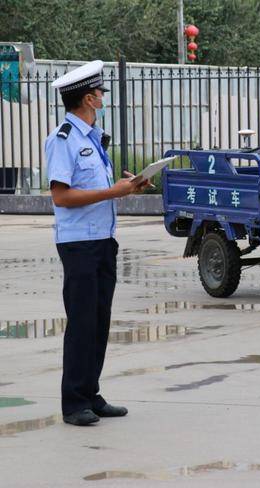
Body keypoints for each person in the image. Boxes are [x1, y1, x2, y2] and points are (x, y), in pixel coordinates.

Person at [46, 60, 148, 426]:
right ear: (89, 98)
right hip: (78, 245)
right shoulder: (63, 139)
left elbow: (98, 191)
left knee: (99, 321)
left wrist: (130, 186)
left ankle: (91, 393)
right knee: (82, 322)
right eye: (101, 91)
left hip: (103, 240)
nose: (104, 95)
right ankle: (74, 403)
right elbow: (61, 197)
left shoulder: (92, 137)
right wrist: (112, 190)